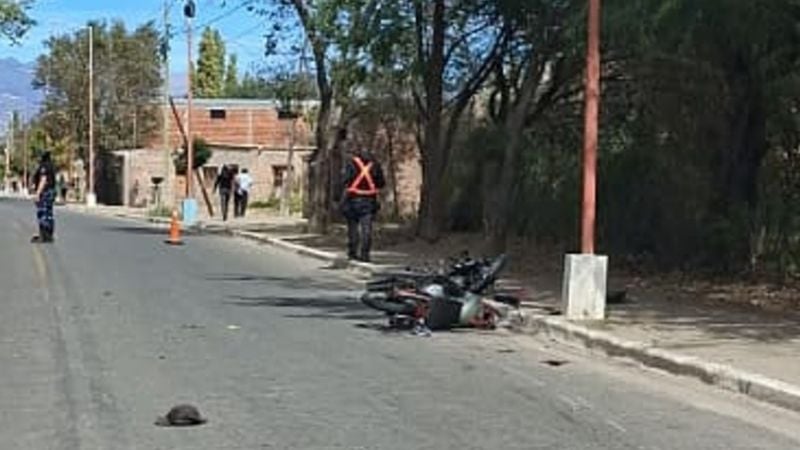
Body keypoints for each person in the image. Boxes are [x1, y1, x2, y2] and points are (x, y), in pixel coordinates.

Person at [341, 140, 385, 262]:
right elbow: (381, 183)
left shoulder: (351, 164)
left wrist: (338, 197)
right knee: (367, 228)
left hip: (353, 200)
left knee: (353, 227)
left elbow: (344, 180)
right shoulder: (375, 165)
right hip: (369, 201)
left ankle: (353, 252)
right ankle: (365, 254)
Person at [31, 151, 57, 243]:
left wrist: (37, 193)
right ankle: (49, 235)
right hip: (51, 191)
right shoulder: (51, 166)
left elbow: (43, 179)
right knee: (49, 214)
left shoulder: (44, 166)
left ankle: (43, 235)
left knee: (43, 213)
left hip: (45, 192)